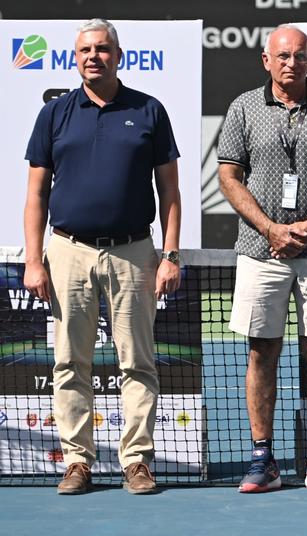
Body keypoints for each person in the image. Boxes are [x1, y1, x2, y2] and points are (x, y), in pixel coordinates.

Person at [23, 18, 181, 496]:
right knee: (71, 362)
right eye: (85, 50)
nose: (94, 56)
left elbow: (170, 191)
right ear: (76, 58)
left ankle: (136, 460)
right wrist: (34, 260)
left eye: (103, 49)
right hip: (67, 251)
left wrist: (169, 254)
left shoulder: (149, 110)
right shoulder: (54, 114)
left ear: (119, 55)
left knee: (138, 362)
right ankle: (77, 462)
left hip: (135, 252)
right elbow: (36, 195)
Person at [217, 24, 307, 493]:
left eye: (300, 56)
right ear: (266, 60)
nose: (291, 63)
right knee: (262, 351)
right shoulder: (242, 107)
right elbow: (229, 178)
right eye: (282, 56)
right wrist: (272, 229)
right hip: (261, 251)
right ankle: (263, 459)